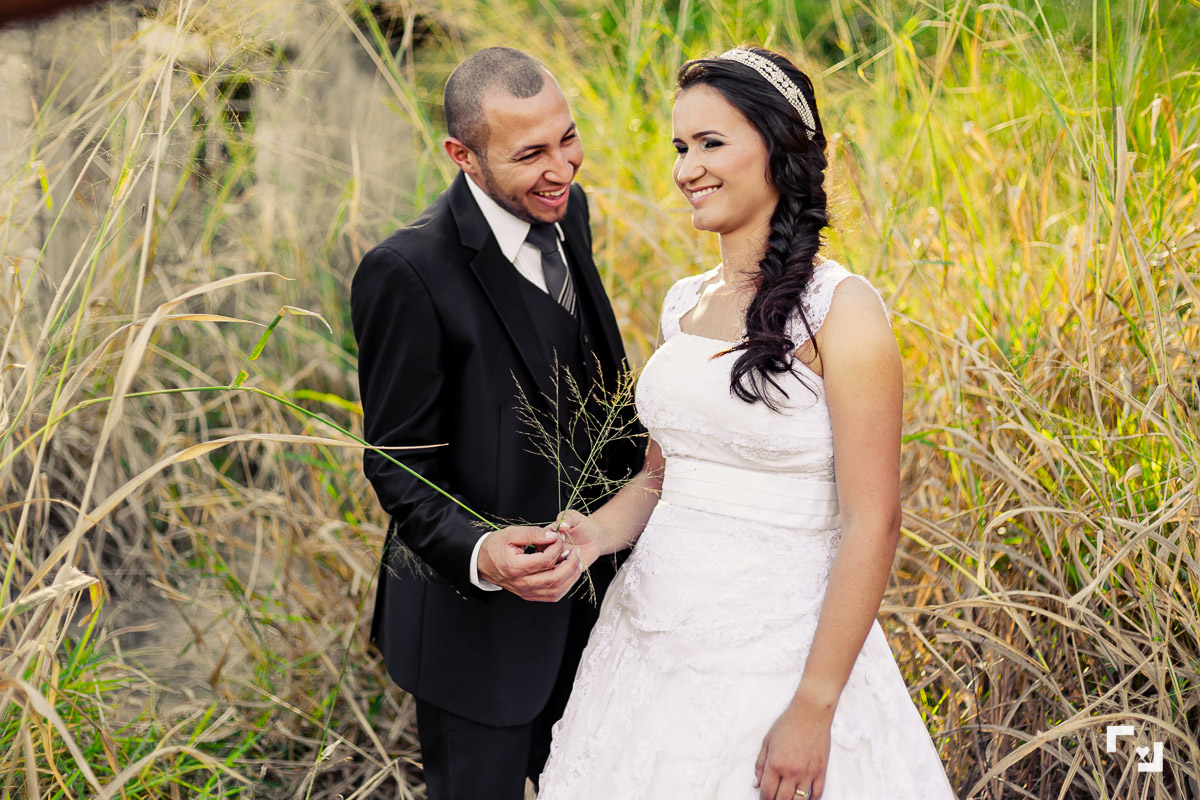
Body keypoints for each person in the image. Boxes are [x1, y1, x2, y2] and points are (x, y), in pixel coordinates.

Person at [537, 47, 959, 800]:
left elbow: (875, 521)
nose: (687, 168)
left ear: (778, 145)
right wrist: (591, 535)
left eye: (711, 143)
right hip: (649, 643)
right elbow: (661, 478)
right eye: (679, 147)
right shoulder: (683, 303)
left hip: (780, 654)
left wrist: (813, 705)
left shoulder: (844, 310)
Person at [349, 47, 643, 800]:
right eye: (530, 153)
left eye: (567, 138)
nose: (562, 168)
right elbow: (396, 462)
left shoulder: (566, 210)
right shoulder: (405, 271)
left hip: (596, 603)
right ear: (463, 156)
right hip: (475, 637)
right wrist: (483, 552)